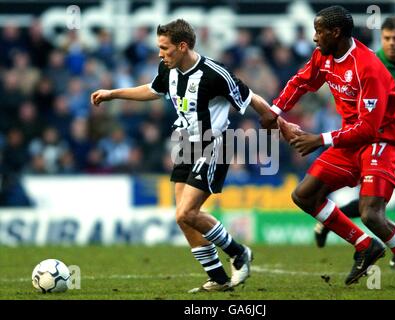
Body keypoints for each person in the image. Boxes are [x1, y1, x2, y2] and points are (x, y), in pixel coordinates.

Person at [261, 6, 395, 293]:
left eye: (319, 31)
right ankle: (364, 244)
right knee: (304, 195)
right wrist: (274, 110)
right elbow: (302, 81)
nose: (315, 37)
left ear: (336, 33)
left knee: (372, 214)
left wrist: (319, 140)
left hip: (381, 140)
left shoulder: (367, 67)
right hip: (349, 138)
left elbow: (369, 128)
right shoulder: (324, 55)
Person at [91, 19, 274, 293]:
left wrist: (279, 121)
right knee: (183, 217)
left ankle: (239, 253)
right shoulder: (168, 68)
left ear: (182, 46)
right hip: (185, 143)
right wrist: (113, 94)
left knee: (187, 211)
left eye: (164, 48)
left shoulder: (215, 74)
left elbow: (251, 99)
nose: (160, 54)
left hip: (213, 144)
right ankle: (219, 278)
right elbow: (153, 90)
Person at [314, 16, 395, 271]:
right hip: (368, 136)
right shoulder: (371, 61)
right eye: (387, 38)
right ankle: (336, 225)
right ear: (381, 39)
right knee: (370, 206)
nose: (391, 43)